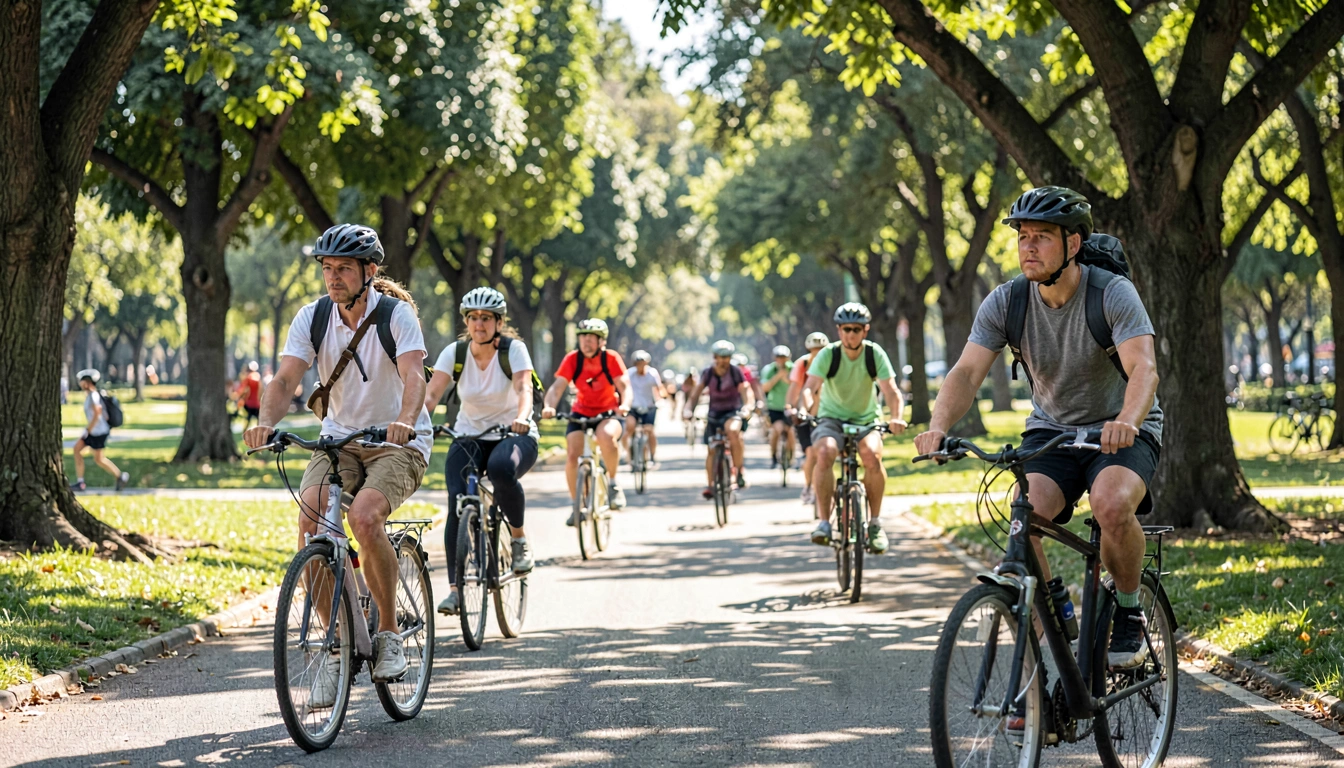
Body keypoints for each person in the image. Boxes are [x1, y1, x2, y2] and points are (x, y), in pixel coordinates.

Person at [912, 186, 1162, 671]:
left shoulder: (1111, 293)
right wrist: (938, 426)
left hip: (1122, 428)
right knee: (1025, 518)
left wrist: (1127, 422)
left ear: (1072, 244)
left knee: (1111, 505)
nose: (1028, 247)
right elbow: (966, 372)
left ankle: (1129, 611)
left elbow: (1144, 369)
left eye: (1042, 237)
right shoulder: (1007, 302)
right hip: (1053, 430)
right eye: (1023, 237)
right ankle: (1054, 619)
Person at [244, 223, 433, 695]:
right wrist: (265, 420)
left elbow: (414, 375)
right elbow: (286, 379)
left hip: (398, 441)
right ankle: (339, 645)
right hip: (340, 439)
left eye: (343, 269)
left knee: (365, 518)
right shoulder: (312, 318)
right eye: (327, 269)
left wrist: (406, 420)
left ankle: (388, 633)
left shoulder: (396, 315)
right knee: (310, 524)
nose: (333, 278)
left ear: (369, 271)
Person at [424, 287, 539, 616]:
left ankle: (518, 540)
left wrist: (522, 417)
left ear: (499, 322)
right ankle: (455, 591)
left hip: (513, 433)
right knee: (457, 502)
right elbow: (432, 395)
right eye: (473, 318)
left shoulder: (514, 350)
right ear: (466, 321)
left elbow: (523, 386)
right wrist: (416, 424)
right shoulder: (455, 352)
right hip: (469, 434)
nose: (479, 324)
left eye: (486, 318)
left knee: (503, 469)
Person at [801, 304, 907, 554]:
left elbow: (891, 390)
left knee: (871, 455)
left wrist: (897, 417)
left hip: (866, 419)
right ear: (838, 330)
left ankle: (875, 524)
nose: (851, 334)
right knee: (825, 452)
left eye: (857, 329)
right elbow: (810, 387)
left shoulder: (874, 354)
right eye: (847, 329)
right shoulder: (828, 354)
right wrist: (807, 409)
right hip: (831, 418)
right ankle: (825, 523)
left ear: (865, 330)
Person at [541, 318, 632, 519]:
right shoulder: (573, 359)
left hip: (608, 412)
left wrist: (625, 404)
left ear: (602, 342)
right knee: (573, 455)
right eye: (582, 337)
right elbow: (557, 388)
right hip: (580, 412)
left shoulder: (611, 358)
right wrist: (549, 406)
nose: (586, 342)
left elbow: (624, 386)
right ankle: (577, 505)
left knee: (606, 436)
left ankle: (613, 484)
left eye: (591, 338)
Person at [684, 340, 756, 496]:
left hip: (733, 412)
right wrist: (688, 410)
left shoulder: (735, 372)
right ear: (714, 357)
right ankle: (710, 485)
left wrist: (748, 407)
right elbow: (695, 394)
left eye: (726, 357)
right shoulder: (708, 373)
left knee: (732, 431)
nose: (723, 361)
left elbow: (746, 391)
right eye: (720, 357)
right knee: (711, 450)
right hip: (714, 413)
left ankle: (738, 472)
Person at [785, 332, 829, 504]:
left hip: (826, 413)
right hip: (805, 413)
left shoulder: (831, 362)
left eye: (821, 350)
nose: (818, 353)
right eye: (814, 350)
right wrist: (790, 407)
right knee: (811, 453)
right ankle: (809, 486)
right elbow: (795, 389)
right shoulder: (802, 364)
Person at [69, 369, 130, 492]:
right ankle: (119, 476)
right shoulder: (92, 395)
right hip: (97, 431)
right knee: (95, 457)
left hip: (97, 432)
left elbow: (98, 412)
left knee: (88, 454)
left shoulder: (93, 396)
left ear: (87, 382)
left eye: (82, 381)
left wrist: (88, 430)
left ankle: (82, 482)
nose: (80, 384)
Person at [624, 350, 664, 464]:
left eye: (643, 363)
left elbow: (659, 388)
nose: (640, 366)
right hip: (633, 406)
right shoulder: (629, 374)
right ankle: (630, 452)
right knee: (630, 427)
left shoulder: (652, 374)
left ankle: (652, 456)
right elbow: (623, 387)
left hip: (649, 406)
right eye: (638, 363)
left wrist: (661, 398)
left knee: (649, 430)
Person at [761, 345, 795, 469]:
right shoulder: (769, 370)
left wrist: (786, 378)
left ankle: (791, 458)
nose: (781, 360)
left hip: (789, 406)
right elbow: (765, 388)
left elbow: (798, 385)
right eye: (778, 358)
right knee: (777, 430)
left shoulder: (794, 368)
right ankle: (774, 456)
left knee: (790, 431)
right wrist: (778, 376)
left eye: (784, 358)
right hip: (774, 407)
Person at [234, 361, 263, 429]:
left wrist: (237, 396)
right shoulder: (258, 377)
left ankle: (244, 433)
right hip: (257, 403)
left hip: (249, 403)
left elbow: (243, 390)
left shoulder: (248, 378)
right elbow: (261, 391)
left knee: (248, 419)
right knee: (258, 420)